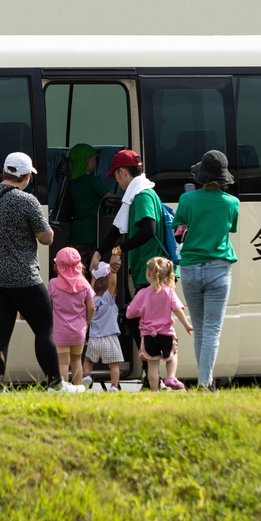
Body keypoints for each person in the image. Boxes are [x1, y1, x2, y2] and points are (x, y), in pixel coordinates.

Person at [0, 152, 84, 393]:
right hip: (22, 276)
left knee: (0, 333)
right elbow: (46, 238)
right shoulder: (28, 201)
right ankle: (56, 385)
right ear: (26, 176)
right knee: (44, 328)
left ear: (5, 172)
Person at [91, 149, 175, 380]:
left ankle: (154, 376)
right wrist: (99, 252)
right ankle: (154, 377)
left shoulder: (142, 196)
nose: (116, 182)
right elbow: (118, 229)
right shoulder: (137, 194)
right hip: (145, 271)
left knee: (139, 322)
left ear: (121, 172)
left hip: (151, 273)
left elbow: (149, 230)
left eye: (115, 177)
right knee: (143, 323)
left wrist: (119, 250)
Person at [172, 150, 239, 391]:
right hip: (219, 269)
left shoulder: (187, 200)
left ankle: (206, 381)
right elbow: (231, 228)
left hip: (190, 268)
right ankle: (204, 382)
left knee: (199, 329)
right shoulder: (232, 203)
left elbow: (177, 224)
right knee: (212, 329)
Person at [125, 256, 193, 391]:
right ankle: (171, 376)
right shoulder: (169, 292)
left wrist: (140, 311)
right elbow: (178, 310)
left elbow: (129, 313)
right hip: (166, 334)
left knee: (152, 366)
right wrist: (187, 325)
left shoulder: (142, 294)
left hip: (149, 336)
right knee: (172, 354)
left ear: (148, 273)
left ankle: (154, 391)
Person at [48, 247, 95, 388]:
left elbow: (47, 304)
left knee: (63, 362)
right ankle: (78, 388)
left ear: (57, 266)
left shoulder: (53, 284)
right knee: (76, 361)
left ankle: (64, 389)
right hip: (79, 329)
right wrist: (85, 322)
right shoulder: (85, 284)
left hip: (60, 330)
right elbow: (91, 308)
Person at [82, 254, 125, 391]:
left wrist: (94, 276)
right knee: (114, 365)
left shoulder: (91, 301)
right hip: (110, 338)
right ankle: (114, 385)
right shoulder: (108, 300)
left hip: (94, 339)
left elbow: (91, 289)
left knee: (88, 361)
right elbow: (112, 284)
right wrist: (113, 271)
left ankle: (87, 375)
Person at [68, 143, 111, 260]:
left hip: (76, 234)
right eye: (94, 159)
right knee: (95, 272)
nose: (96, 164)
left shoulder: (71, 183)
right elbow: (109, 198)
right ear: (88, 160)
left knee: (78, 270)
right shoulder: (92, 180)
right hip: (92, 232)